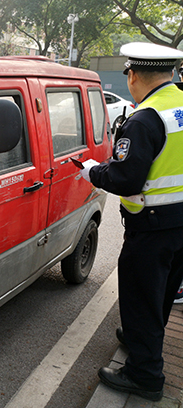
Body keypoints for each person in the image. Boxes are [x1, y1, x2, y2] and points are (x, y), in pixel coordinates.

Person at [80, 42, 183, 401]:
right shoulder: (180, 106)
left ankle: (144, 375)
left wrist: (94, 172)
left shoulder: (145, 119)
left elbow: (125, 179)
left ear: (134, 75)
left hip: (152, 226)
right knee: (162, 293)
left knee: (141, 296)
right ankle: (143, 340)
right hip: (180, 223)